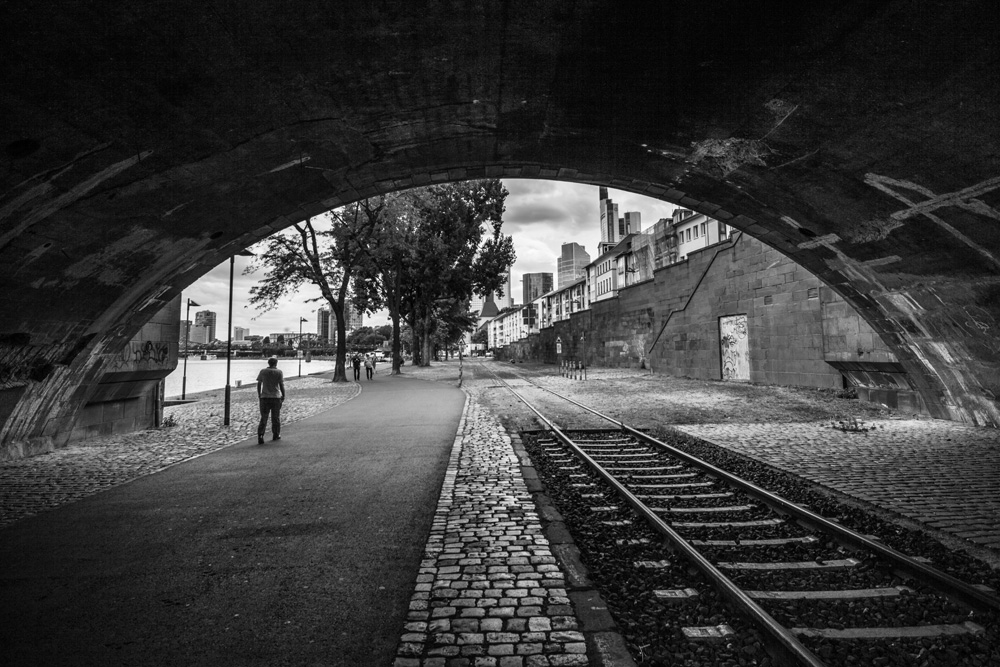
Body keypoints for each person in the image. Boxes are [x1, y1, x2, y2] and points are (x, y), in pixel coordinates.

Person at [256, 356, 285, 444]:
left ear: (268, 363)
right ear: (276, 363)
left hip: (264, 397)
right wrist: (283, 395)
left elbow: (259, 383)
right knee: (275, 417)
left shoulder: (263, 371)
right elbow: (281, 385)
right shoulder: (279, 372)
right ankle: (276, 434)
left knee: (264, 417)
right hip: (276, 397)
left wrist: (259, 394)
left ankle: (261, 435)